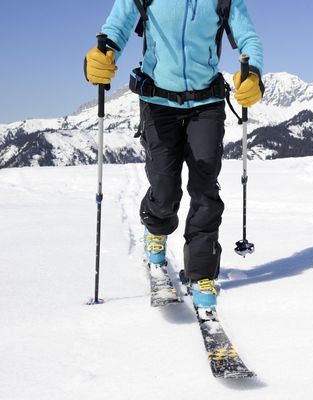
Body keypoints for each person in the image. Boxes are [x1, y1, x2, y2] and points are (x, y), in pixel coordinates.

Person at [84, 0, 264, 309]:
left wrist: (254, 73)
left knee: (205, 185)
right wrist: (102, 54)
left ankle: (202, 272)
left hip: (206, 104)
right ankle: (155, 235)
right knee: (164, 185)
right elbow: (116, 28)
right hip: (158, 102)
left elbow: (248, 38)